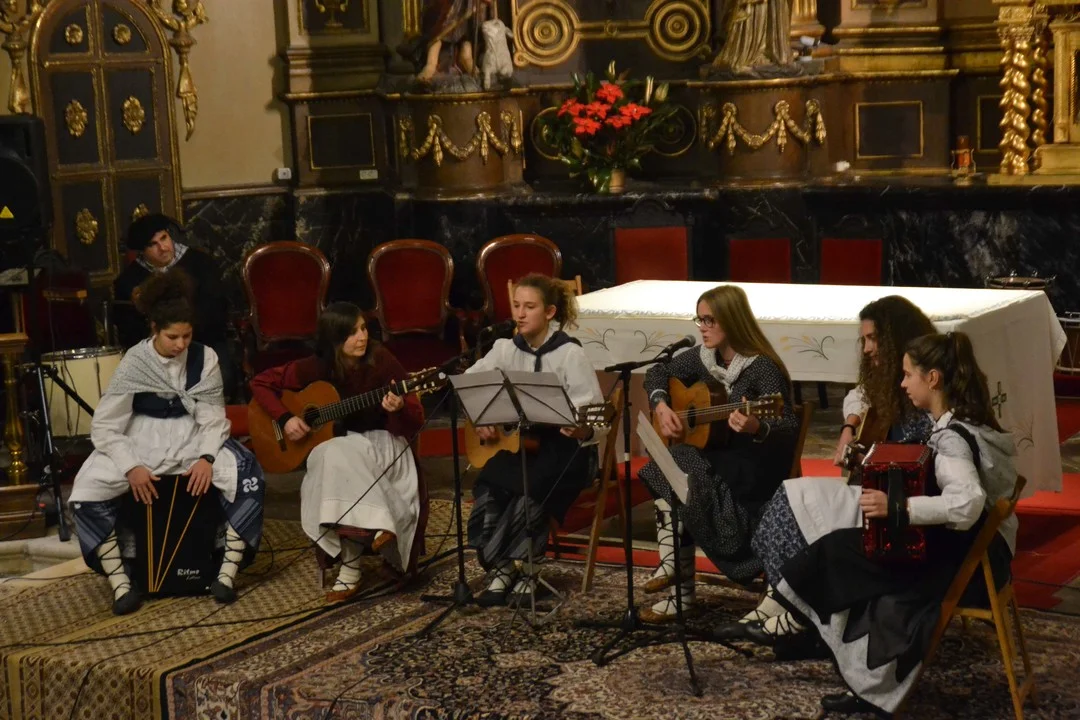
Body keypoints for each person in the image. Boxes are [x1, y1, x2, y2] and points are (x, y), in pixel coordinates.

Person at [745, 332, 1017, 716]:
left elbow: (967, 503)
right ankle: (803, 626)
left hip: (968, 565)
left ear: (933, 378)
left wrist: (897, 508)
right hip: (985, 555)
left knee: (843, 554)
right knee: (851, 549)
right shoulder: (967, 421)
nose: (903, 384)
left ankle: (800, 625)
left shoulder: (952, 439)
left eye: (908, 375)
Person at [70, 269, 264, 615]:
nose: (181, 345)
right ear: (154, 329)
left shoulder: (205, 357)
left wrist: (206, 457)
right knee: (86, 488)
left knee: (247, 473)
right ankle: (121, 582)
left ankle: (225, 573)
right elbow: (106, 425)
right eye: (172, 337)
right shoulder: (135, 361)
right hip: (143, 438)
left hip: (194, 436)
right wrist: (131, 466)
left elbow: (212, 416)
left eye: (187, 336)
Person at [639, 284, 799, 623]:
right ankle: (678, 586)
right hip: (712, 461)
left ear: (732, 319)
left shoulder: (762, 367)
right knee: (671, 464)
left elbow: (787, 424)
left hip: (749, 473)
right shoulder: (702, 358)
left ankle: (677, 580)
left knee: (676, 461)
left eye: (710, 320)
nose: (703, 327)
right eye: (700, 319)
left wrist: (757, 426)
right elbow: (658, 372)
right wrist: (661, 405)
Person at [249, 302, 426, 603]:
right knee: (331, 453)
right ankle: (376, 528)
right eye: (352, 333)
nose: (362, 337)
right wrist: (285, 418)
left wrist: (398, 408)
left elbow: (416, 418)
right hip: (341, 450)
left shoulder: (381, 360)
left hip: (382, 445)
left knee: (331, 455)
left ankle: (351, 567)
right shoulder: (316, 367)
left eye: (363, 329)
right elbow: (260, 383)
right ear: (333, 339)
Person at [465, 273, 604, 606]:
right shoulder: (504, 349)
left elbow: (596, 417)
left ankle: (529, 571)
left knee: (531, 490)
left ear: (550, 312)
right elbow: (471, 384)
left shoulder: (569, 354)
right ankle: (501, 569)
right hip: (522, 446)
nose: (520, 314)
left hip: (567, 450)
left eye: (530, 307)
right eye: (516, 305)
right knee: (489, 483)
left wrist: (582, 428)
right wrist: (482, 417)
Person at [112, 213, 233, 398]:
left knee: (220, 377)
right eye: (153, 244)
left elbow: (216, 311)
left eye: (164, 238)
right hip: (156, 354)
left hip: (203, 342)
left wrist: (185, 335)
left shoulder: (201, 263)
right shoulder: (129, 280)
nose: (163, 248)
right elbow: (128, 330)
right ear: (142, 251)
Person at [834, 296, 938, 468]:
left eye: (873, 338)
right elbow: (859, 395)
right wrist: (849, 427)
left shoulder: (928, 383)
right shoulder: (888, 377)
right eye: (864, 340)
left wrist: (872, 465)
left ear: (895, 338)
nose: (866, 349)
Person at [400, 0, 492, 82]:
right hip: (445, 10)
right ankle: (430, 65)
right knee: (438, 31)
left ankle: (469, 63)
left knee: (465, 41)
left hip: (466, 10)